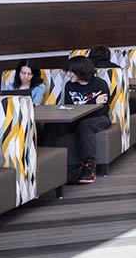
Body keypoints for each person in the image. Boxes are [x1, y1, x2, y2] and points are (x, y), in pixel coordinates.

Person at [47, 56, 113, 185]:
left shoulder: (99, 84)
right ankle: (49, 162)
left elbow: (101, 109)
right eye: (67, 71)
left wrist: (92, 103)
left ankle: (89, 166)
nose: (68, 74)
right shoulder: (69, 85)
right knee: (52, 126)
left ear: (81, 70)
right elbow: (71, 107)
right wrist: (94, 101)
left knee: (84, 125)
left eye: (72, 71)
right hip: (76, 117)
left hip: (99, 118)